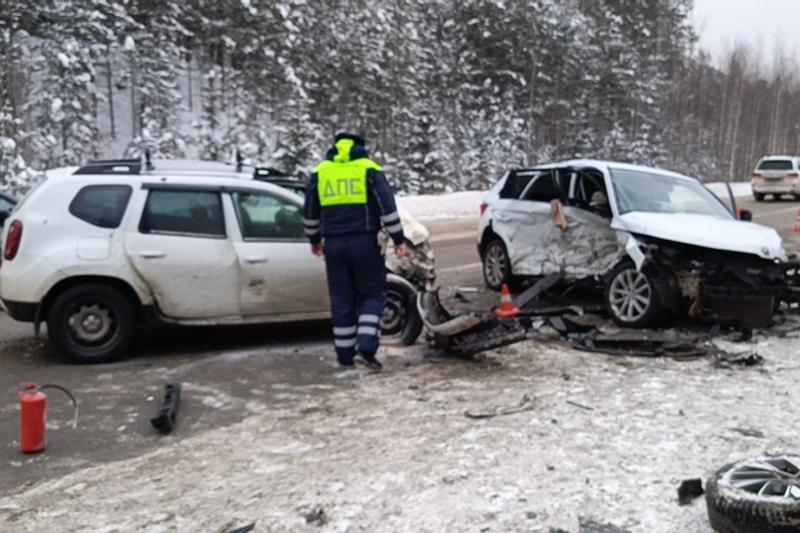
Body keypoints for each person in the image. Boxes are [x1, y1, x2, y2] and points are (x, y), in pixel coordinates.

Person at [303, 133, 407, 370]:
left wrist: (314, 240)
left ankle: (345, 356)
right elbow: (387, 207)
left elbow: (309, 211)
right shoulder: (369, 169)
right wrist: (398, 238)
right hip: (365, 242)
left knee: (342, 300)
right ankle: (366, 350)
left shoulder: (321, 172)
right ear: (361, 148)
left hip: (334, 246)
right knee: (372, 295)